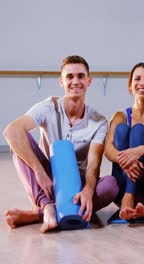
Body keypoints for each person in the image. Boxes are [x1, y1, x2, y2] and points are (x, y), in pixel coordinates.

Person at [3, 55, 118, 233]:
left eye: (80, 76)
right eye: (70, 77)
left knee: (111, 185)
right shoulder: (48, 107)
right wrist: (39, 172)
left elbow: (94, 163)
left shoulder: (99, 121)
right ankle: (47, 207)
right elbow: (11, 131)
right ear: (61, 82)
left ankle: (37, 214)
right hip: (48, 179)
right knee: (18, 139)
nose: (75, 81)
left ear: (89, 81)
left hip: (77, 184)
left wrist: (88, 189)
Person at [104, 63, 144, 220]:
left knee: (139, 130)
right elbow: (108, 149)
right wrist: (127, 161)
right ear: (130, 86)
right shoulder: (121, 116)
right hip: (122, 185)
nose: (142, 83)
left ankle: (131, 197)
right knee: (121, 130)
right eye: (137, 79)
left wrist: (138, 151)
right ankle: (130, 196)